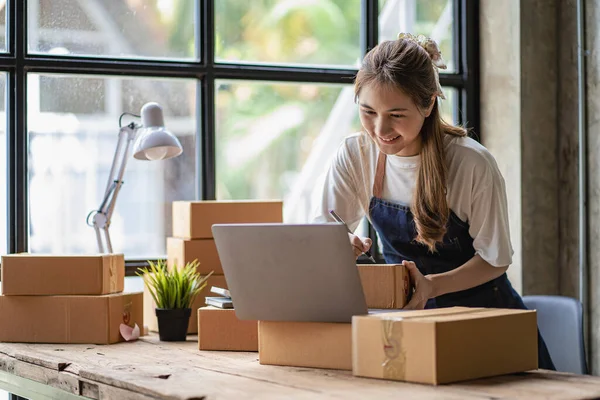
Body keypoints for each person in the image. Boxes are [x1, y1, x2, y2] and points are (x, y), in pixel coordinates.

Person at [312, 33, 556, 370]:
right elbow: (322, 230)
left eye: (396, 115)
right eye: (368, 111)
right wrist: (341, 244)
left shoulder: (471, 164)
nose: (380, 129)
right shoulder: (356, 154)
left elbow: (495, 259)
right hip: (405, 319)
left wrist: (431, 287)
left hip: (485, 320)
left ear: (428, 104)